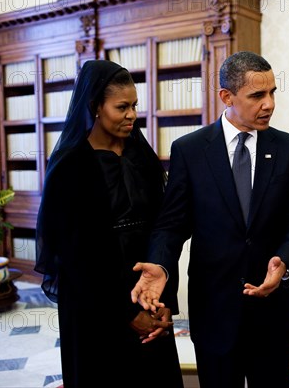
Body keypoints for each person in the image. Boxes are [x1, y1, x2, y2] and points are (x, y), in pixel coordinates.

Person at [131, 51, 289, 388]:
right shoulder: (190, 150)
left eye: (273, 92)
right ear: (226, 97)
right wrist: (160, 264)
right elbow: (172, 224)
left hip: (273, 312)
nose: (269, 104)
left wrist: (285, 263)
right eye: (257, 95)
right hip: (214, 310)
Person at [35, 60, 183, 387]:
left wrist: (163, 302)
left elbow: (163, 229)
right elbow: (75, 255)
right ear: (95, 107)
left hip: (147, 291)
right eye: (122, 107)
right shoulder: (69, 167)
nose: (132, 115)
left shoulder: (142, 156)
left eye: (134, 106)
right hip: (95, 302)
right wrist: (127, 314)